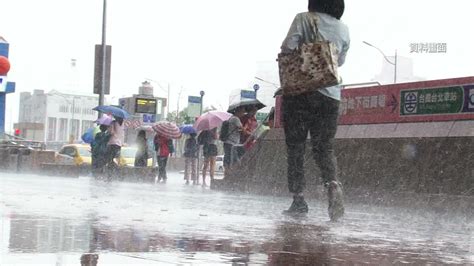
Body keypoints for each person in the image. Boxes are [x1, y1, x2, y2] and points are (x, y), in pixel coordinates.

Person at [280, 0, 349, 221]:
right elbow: (340, 60)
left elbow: (288, 47)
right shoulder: (343, 28)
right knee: (324, 147)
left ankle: (299, 199)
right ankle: (332, 184)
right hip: (330, 95)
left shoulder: (304, 18)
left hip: (301, 91)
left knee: (296, 147)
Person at [223, 106, 245, 172]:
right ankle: (230, 173)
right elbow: (242, 129)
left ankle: (227, 173)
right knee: (234, 160)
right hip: (232, 143)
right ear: (239, 111)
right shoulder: (236, 119)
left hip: (228, 142)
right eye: (243, 112)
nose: (243, 114)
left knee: (228, 158)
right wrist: (246, 129)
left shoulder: (230, 118)